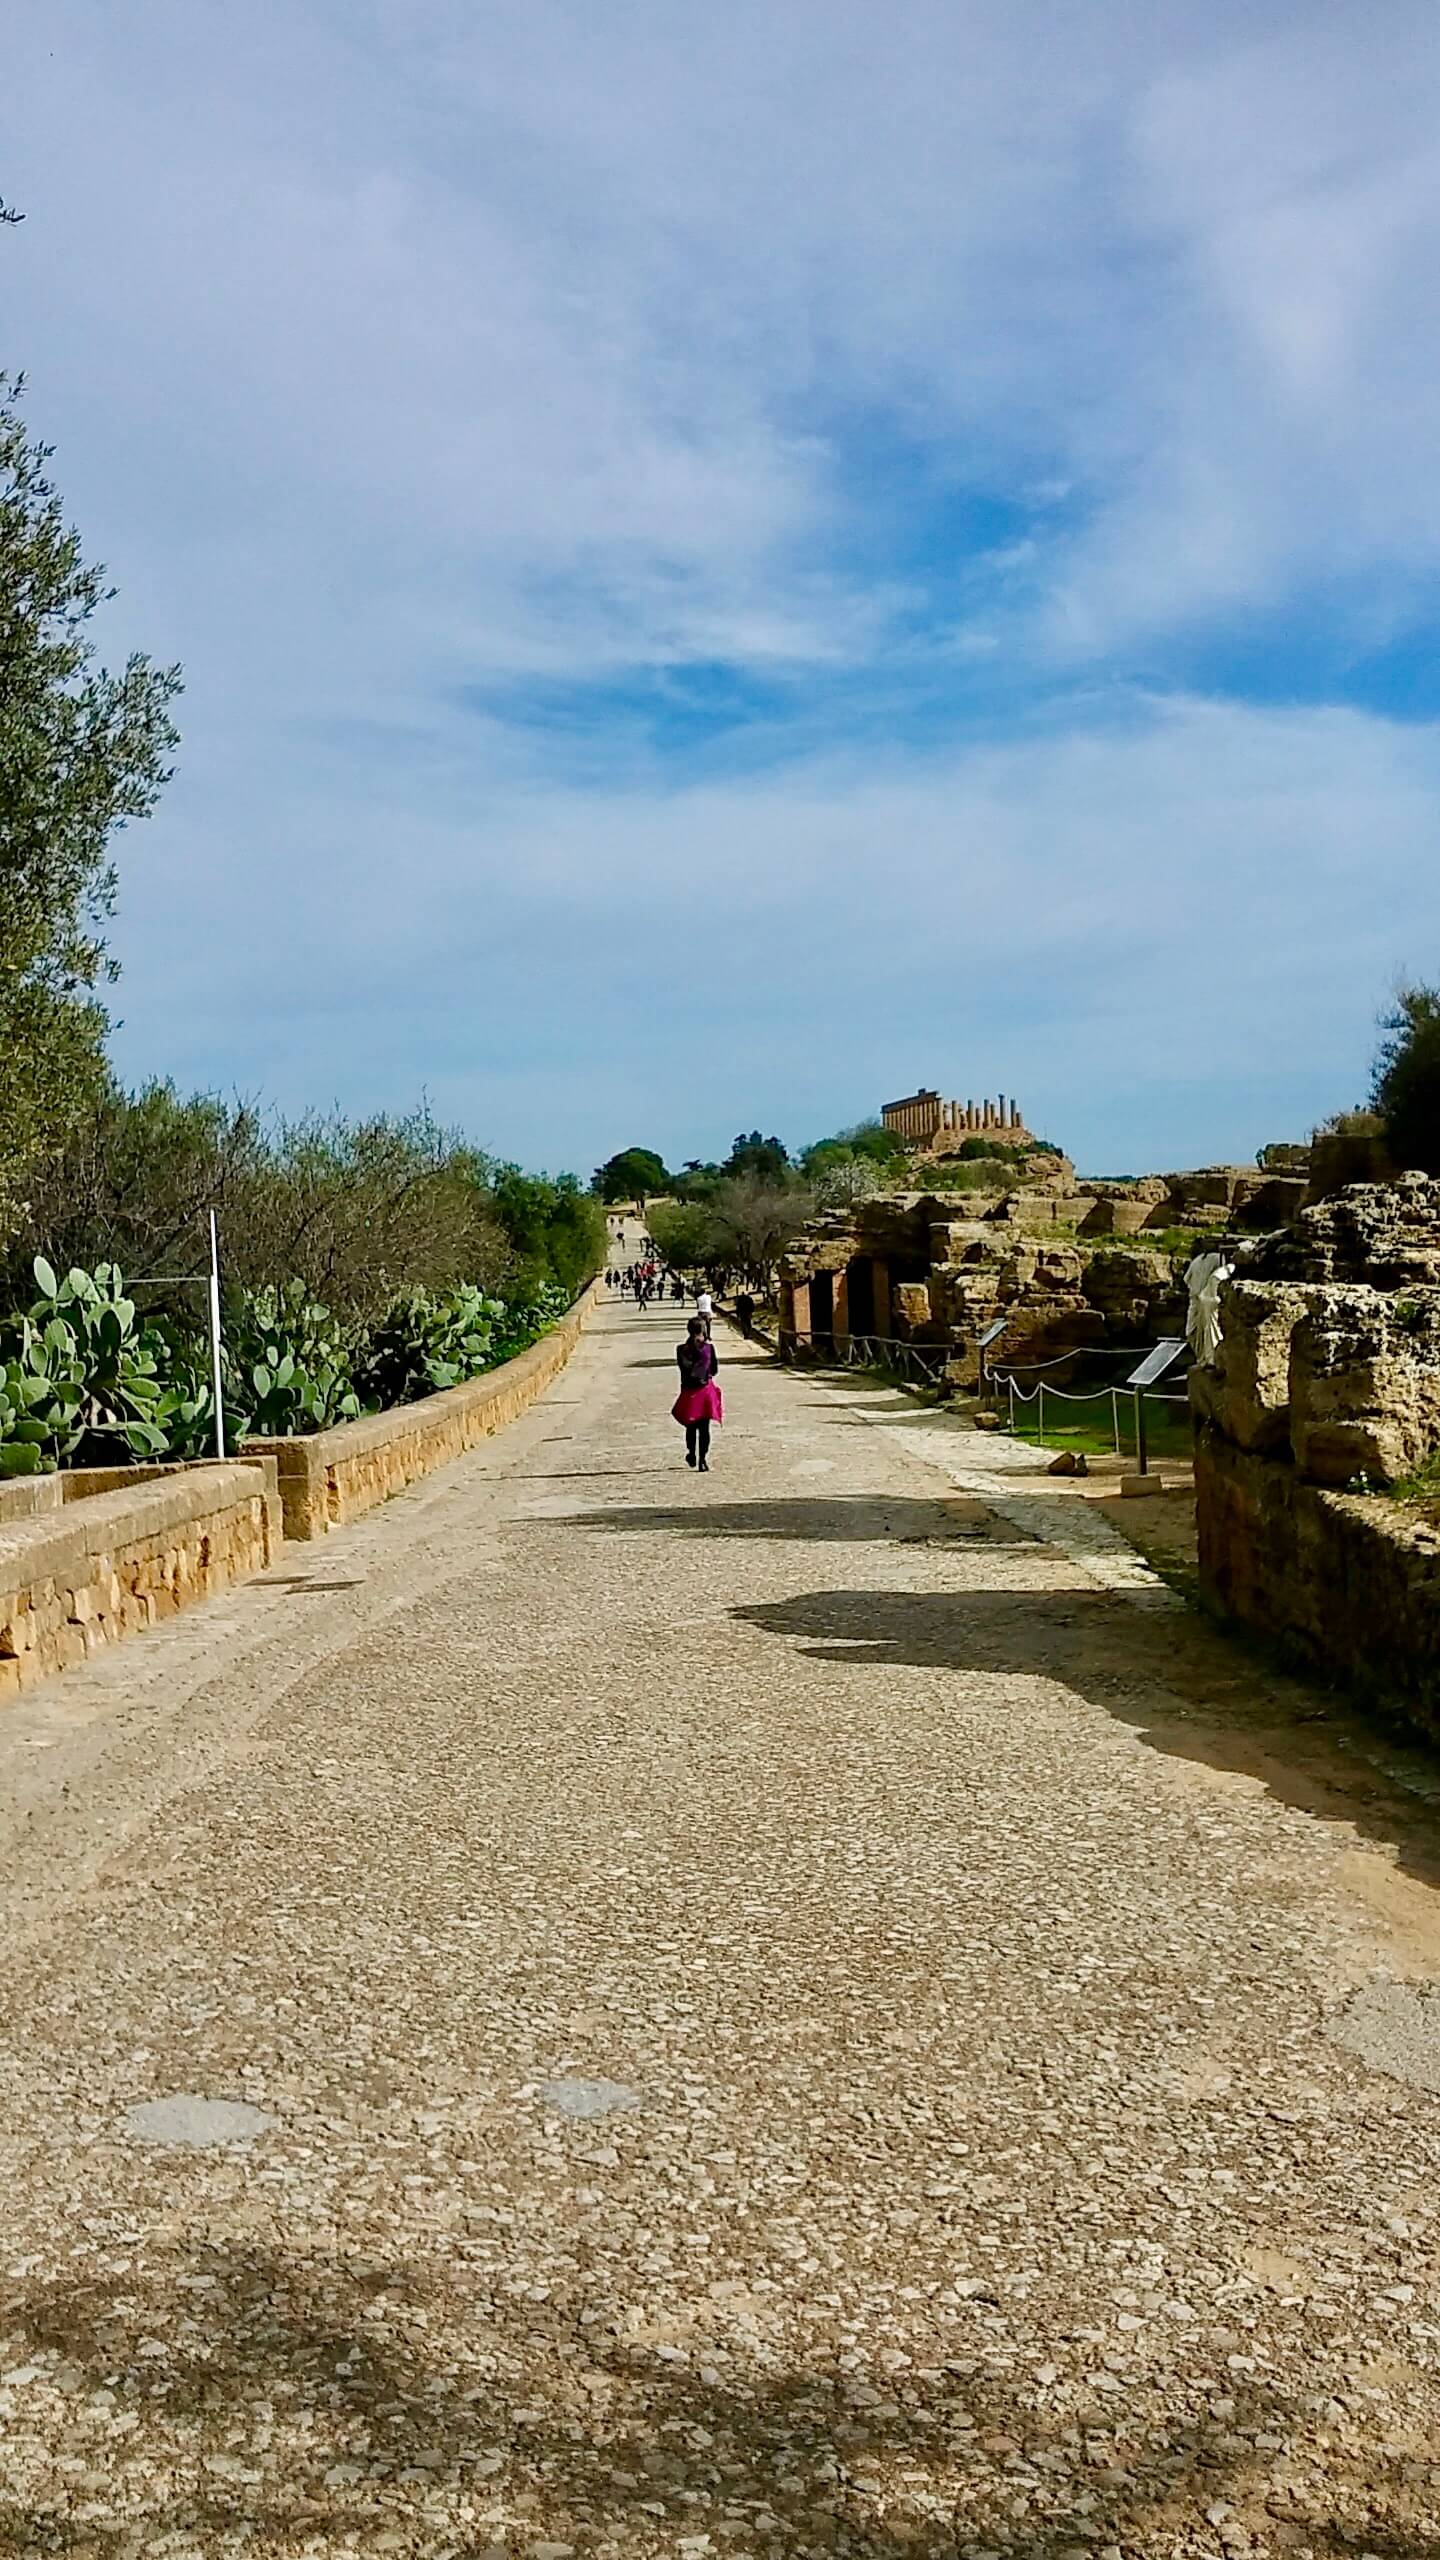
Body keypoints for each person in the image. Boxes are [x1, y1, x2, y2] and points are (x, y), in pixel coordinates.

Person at [672, 1315, 721, 1469]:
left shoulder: (681, 1349)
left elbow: (684, 1368)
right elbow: (714, 1370)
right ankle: (703, 1459)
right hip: (705, 1391)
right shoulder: (709, 1349)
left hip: (689, 1393)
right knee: (705, 1428)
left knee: (691, 1427)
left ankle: (691, 1452)